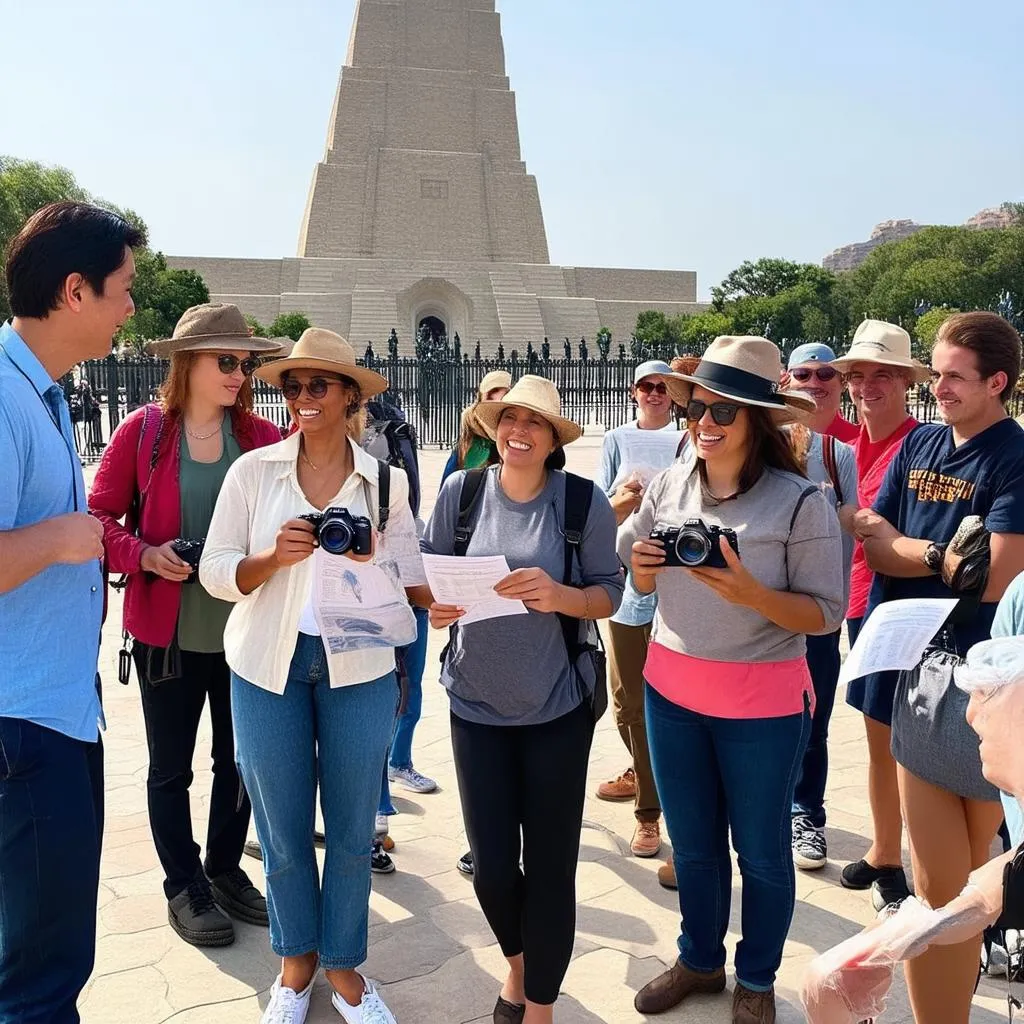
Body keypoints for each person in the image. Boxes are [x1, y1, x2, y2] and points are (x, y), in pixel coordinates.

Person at [200, 328, 425, 1024]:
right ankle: (296, 963)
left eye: (318, 385)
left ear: (351, 396)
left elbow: (413, 582)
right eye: (291, 386)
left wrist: (382, 568)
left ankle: (344, 965)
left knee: (355, 825)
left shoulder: (384, 480)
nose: (302, 398)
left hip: (356, 665)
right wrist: (271, 558)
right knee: (282, 825)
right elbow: (216, 572)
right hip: (267, 663)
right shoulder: (253, 472)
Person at [622, 336, 845, 1024]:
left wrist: (748, 592)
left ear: (759, 420)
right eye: (697, 410)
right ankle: (699, 958)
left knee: (763, 852)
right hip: (672, 692)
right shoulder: (670, 482)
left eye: (722, 413)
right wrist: (645, 567)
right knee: (692, 843)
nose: (703, 424)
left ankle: (756, 976)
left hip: (763, 702)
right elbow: (635, 570)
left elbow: (824, 613)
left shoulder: (800, 501)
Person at [422, 375, 623, 1024]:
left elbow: (609, 595)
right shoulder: (461, 492)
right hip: (475, 704)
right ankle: (518, 961)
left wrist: (558, 595)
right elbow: (429, 584)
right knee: (490, 869)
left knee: (551, 865)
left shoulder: (581, 504)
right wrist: (438, 609)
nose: (519, 432)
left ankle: (538, 1002)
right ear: (493, 426)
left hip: (555, 709)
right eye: (509, 418)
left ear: (554, 438)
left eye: (534, 423)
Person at [89, 303, 282, 946]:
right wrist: (143, 554)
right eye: (226, 361)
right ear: (188, 364)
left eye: (245, 362)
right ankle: (184, 884)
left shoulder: (258, 439)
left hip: (247, 633)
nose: (239, 373)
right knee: (172, 768)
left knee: (242, 764)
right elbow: (100, 521)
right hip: (166, 638)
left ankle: (223, 868)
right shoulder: (142, 434)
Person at [853, 311, 1024, 1023]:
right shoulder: (922, 441)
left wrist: (912, 546)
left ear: (998, 383)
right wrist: (938, 555)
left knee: (951, 886)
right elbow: (872, 537)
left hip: (978, 687)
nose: (939, 386)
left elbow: (998, 576)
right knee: (945, 882)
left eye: (955, 376)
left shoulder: (1012, 456)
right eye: (937, 371)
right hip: (913, 671)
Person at [0, 202, 143, 1022]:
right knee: (42, 974)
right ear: (75, 291)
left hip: (57, 710)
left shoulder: (43, 392)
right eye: (122, 290)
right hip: (22, 720)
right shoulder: (8, 398)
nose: (131, 307)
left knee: (46, 954)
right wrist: (57, 539)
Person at [829, 320, 930, 909]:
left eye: (883, 375)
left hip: (903, 608)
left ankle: (918, 862)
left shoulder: (923, 445)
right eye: (859, 375)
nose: (868, 386)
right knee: (875, 740)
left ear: (906, 383)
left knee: (910, 744)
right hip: (855, 605)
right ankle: (884, 849)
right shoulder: (839, 445)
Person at [595, 359, 681, 858]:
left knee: (662, 698)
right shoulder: (616, 438)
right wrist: (624, 499)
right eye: (647, 387)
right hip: (627, 585)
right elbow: (598, 511)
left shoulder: (688, 438)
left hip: (673, 583)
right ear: (633, 392)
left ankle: (650, 811)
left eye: (662, 388)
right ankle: (645, 768)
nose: (654, 394)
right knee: (626, 699)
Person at [785, 415, 858, 870]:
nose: (815, 385)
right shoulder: (751, 443)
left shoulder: (836, 454)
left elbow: (850, 527)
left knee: (813, 723)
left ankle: (806, 813)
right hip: (760, 612)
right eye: (803, 376)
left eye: (826, 374)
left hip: (817, 614)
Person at [440, 369, 511, 483]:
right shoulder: (470, 445)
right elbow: (447, 490)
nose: (494, 410)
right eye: (490, 400)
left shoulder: (513, 440)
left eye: (501, 404)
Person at [784, 342, 859, 443]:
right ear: (786, 382)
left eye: (825, 373)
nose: (814, 383)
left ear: (842, 382)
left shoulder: (863, 443)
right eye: (802, 374)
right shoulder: (774, 439)